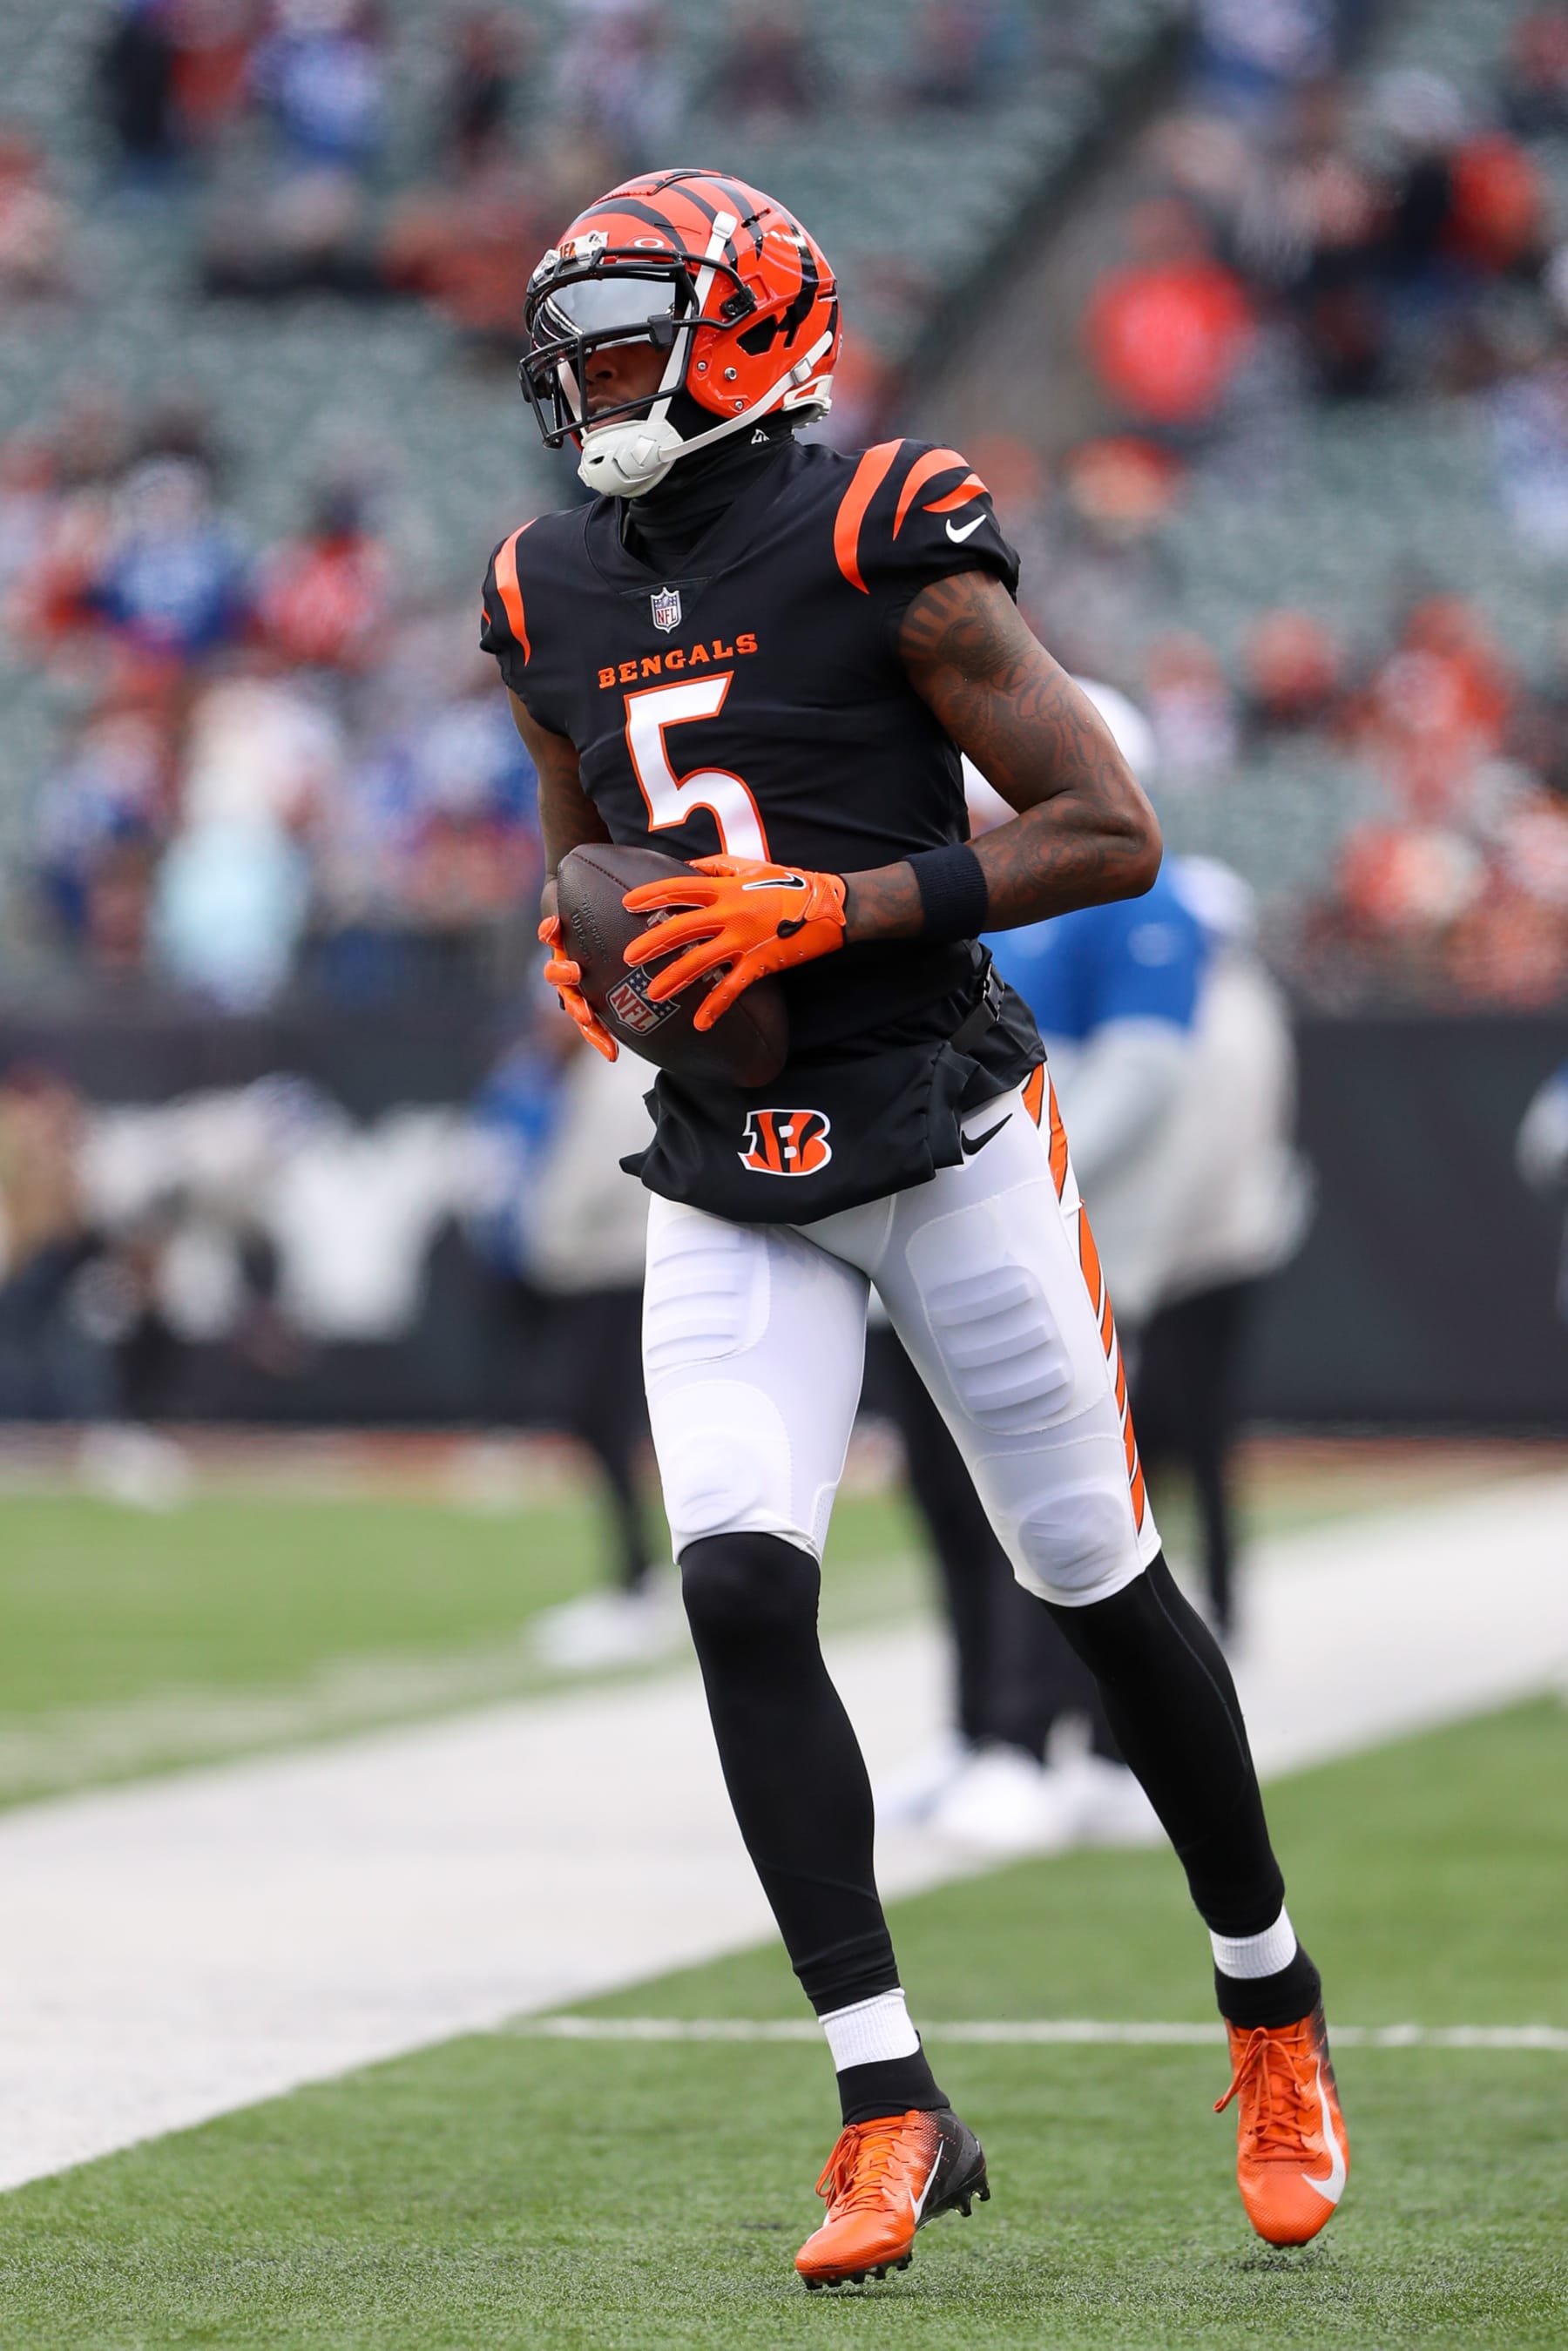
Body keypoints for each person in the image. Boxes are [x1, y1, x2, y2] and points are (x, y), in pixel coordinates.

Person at [479, 168, 1348, 2290]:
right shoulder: (536, 587)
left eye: (631, 329)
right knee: (743, 1594)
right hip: (730, 1160)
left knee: (1097, 1583)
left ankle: (1272, 2011)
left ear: (755, 330)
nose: (591, 373)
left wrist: (841, 908)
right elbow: (586, 852)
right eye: (575, 337)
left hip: (943, 1126)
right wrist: (587, 958)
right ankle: (888, 2105)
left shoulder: (886, 524)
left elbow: (1108, 830)